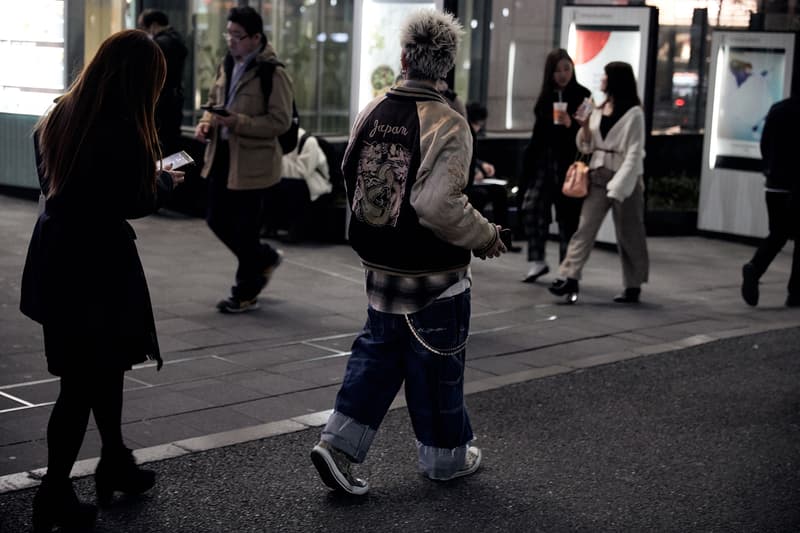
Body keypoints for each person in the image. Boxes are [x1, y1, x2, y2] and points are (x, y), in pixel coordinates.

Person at [309, 9, 506, 495]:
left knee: (376, 357)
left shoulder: (373, 108)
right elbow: (439, 204)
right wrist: (484, 235)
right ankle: (445, 459)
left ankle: (337, 446)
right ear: (447, 66)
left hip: (380, 267)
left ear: (403, 57)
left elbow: (350, 171)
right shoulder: (447, 121)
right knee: (437, 366)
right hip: (432, 275)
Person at [19, 30, 184, 532]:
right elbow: (133, 200)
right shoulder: (121, 126)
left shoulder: (59, 114)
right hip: (97, 268)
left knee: (100, 369)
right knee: (82, 384)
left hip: (56, 258)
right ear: (138, 80)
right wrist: (163, 181)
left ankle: (115, 460)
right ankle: (53, 494)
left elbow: (56, 184)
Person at [194, 6, 294, 313]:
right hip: (222, 156)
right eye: (229, 34)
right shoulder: (227, 63)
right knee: (216, 219)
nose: (231, 41)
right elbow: (213, 102)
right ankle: (264, 258)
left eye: (237, 36)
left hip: (255, 164)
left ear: (255, 38)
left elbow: (280, 122)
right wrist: (207, 122)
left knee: (245, 228)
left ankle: (245, 292)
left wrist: (237, 122)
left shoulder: (272, 73)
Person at [549, 61, 649, 303]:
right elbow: (585, 145)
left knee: (629, 233)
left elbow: (634, 154)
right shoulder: (595, 106)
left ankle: (633, 284)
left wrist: (619, 186)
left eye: (605, 76)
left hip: (626, 180)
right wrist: (583, 127)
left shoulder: (635, 113)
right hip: (597, 176)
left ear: (615, 80)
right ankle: (569, 277)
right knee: (584, 228)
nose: (601, 80)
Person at [521, 48, 591, 282]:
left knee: (567, 218)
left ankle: (566, 270)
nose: (562, 74)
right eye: (557, 70)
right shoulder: (546, 97)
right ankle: (537, 260)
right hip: (544, 161)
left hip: (569, 164)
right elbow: (537, 135)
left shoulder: (584, 95)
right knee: (532, 207)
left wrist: (571, 123)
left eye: (566, 69)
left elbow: (589, 134)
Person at [741, 95, 800, 307]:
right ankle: (795, 292)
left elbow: (765, 144)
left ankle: (755, 268)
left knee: (778, 234)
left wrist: (770, 170)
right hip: (795, 185)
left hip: (774, 185)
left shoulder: (777, 109)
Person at [465, 102, 519, 251]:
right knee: (480, 196)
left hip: (475, 181)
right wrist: (474, 171)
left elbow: (473, 158)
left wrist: (481, 166)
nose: (479, 127)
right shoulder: (463, 133)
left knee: (499, 191)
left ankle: (503, 237)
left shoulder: (472, 134)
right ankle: (478, 237)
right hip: (465, 184)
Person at [264, 127, 332, 242]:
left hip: (314, 183)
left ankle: (296, 230)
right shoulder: (275, 140)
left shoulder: (308, 141)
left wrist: (278, 159)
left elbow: (302, 172)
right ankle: (270, 226)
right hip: (289, 179)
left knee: (292, 186)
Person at [138, 9, 188, 155]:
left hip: (161, 104)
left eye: (143, 28)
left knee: (160, 146)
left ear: (153, 25)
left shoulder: (159, 45)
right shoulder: (177, 40)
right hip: (174, 101)